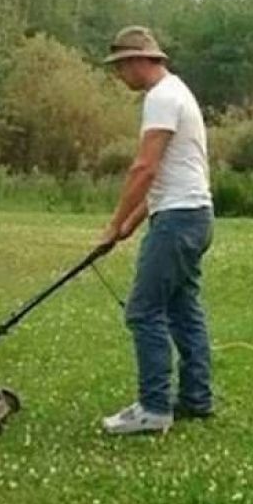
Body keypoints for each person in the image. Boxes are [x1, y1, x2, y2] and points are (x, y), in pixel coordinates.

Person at [98, 26, 216, 434]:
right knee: (183, 310)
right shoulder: (178, 92)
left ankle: (153, 408)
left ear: (137, 61)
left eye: (120, 68)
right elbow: (167, 174)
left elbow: (145, 168)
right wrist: (130, 225)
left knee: (143, 311)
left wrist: (113, 224)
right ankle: (196, 399)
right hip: (196, 215)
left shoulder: (161, 99)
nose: (119, 76)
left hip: (178, 220)